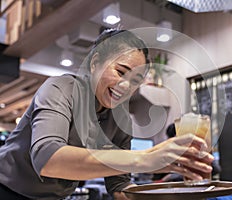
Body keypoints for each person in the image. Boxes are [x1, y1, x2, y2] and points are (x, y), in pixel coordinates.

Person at [0, 29, 214, 200]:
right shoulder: (61, 88)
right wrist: (147, 158)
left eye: (136, 81)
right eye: (120, 72)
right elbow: (47, 158)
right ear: (94, 63)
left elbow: (119, 185)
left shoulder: (121, 120)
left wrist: (171, 195)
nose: (126, 86)